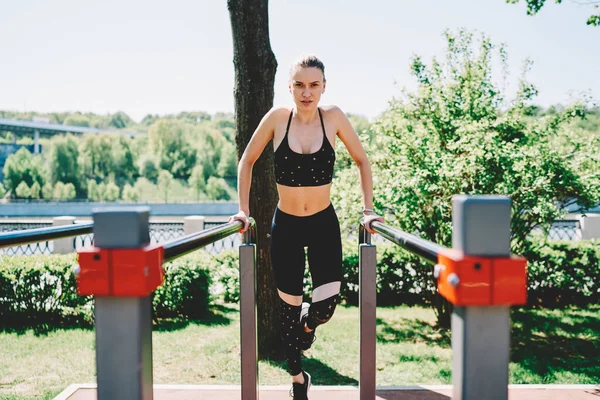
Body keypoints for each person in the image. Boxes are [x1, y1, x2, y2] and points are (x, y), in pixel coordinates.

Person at [230, 55, 383, 399]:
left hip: (322, 223)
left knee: (326, 306)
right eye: (299, 84)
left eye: (314, 85)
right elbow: (247, 161)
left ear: (324, 87)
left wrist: (368, 209)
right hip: (285, 226)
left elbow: (362, 160)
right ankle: (298, 378)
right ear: (290, 87)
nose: (306, 92)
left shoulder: (334, 119)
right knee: (287, 311)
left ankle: (308, 322)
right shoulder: (277, 119)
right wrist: (243, 210)